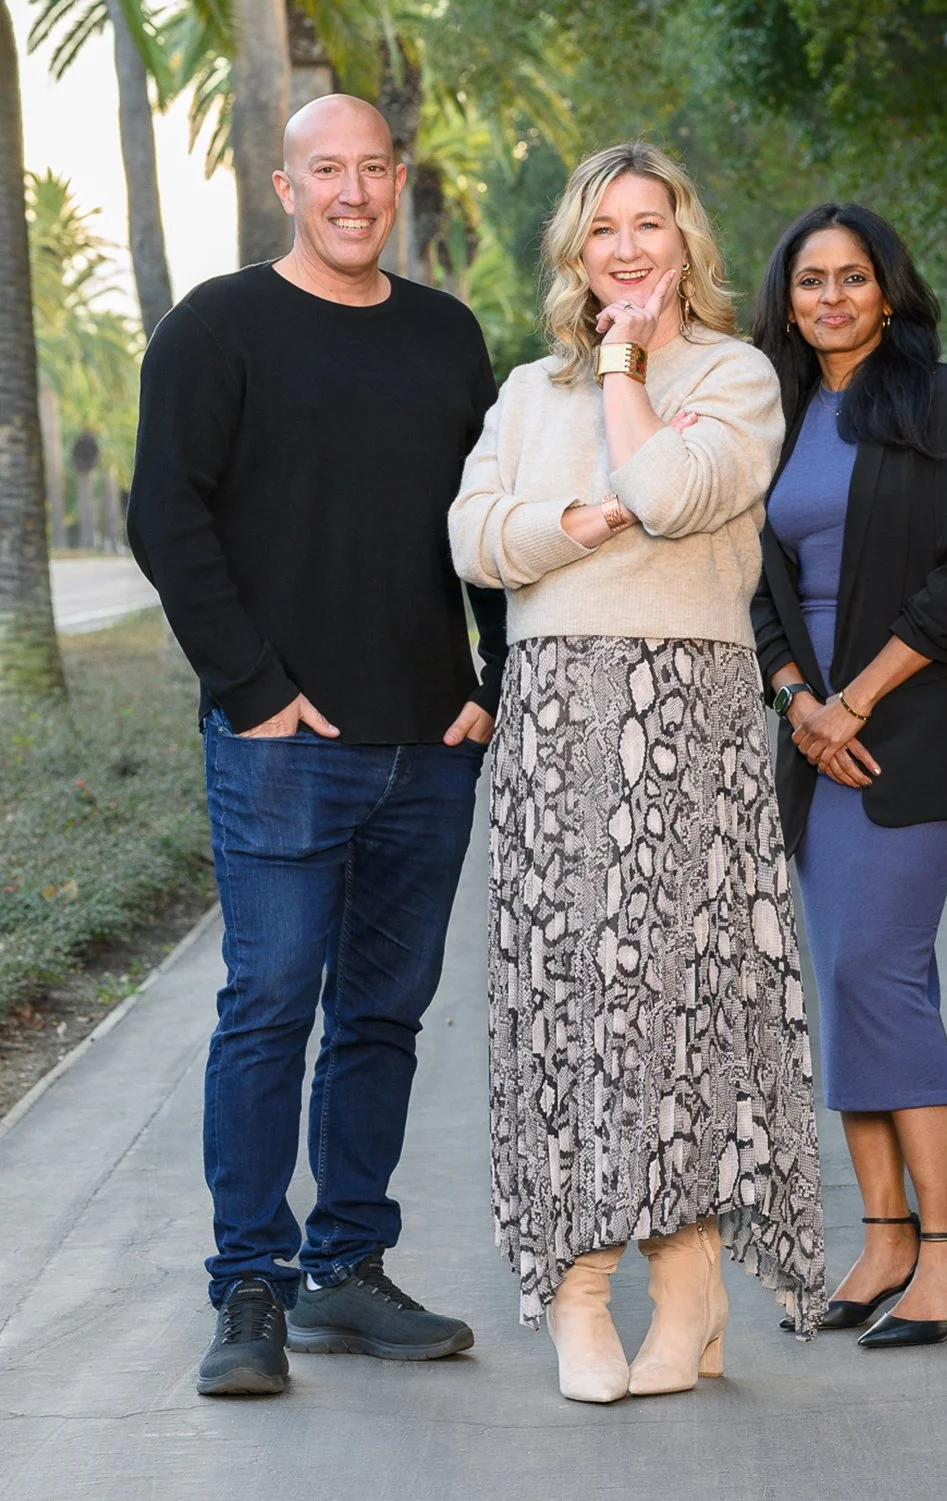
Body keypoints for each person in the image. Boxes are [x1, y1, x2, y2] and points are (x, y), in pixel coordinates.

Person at [126, 94, 506, 1396]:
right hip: (283, 744)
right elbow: (164, 517)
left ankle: (347, 1268)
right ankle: (249, 1289)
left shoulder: (451, 339)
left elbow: (488, 519)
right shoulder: (217, 329)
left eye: (373, 168)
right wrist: (251, 689)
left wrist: (492, 674)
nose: (353, 190)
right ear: (283, 186)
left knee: (384, 1015)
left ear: (399, 181)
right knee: (270, 1008)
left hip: (431, 744)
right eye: (324, 170)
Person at [448, 142, 825, 1404]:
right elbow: (473, 536)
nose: (625, 247)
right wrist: (574, 523)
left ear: (683, 242)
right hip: (556, 716)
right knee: (568, 998)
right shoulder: (522, 390)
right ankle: (576, 1292)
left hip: (693, 715)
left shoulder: (735, 375)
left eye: (647, 225)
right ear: (576, 246)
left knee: (687, 996)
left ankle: (691, 1288)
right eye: (602, 226)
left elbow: (669, 486)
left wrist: (624, 369)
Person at [750, 202, 947, 1349]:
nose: (833, 298)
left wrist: (856, 696)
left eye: (854, 278)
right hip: (816, 737)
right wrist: (801, 703)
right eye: (812, 281)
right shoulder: (781, 417)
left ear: (889, 291)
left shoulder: (946, 403)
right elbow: (756, 590)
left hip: (913, 723)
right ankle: (888, 1234)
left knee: (875, 965)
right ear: (789, 300)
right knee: (847, 980)